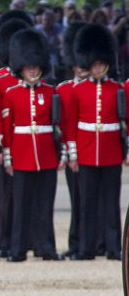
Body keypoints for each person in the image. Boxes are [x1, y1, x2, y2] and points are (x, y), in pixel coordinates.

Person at [63, 23, 126, 260]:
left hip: (110, 152)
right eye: (95, 64)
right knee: (87, 204)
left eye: (101, 64)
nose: (98, 68)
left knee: (111, 204)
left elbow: (124, 123)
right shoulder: (79, 91)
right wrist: (73, 154)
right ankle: (86, 248)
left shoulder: (117, 89)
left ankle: (113, 247)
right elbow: (71, 125)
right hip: (87, 153)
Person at [0, 29, 62, 262]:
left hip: (46, 155)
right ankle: (18, 250)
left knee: (45, 205)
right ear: (21, 69)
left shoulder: (50, 92)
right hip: (22, 154)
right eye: (28, 67)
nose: (32, 70)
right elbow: (7, 129)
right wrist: (8, 157)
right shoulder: (11, 94)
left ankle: (46, 247)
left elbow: (58, 126)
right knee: (21, 206)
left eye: (35, 67)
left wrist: (62, 153)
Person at [0, 9, 34, 258]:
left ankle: (30, 239)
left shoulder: (35, 77)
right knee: (6, 196)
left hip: (29, 146)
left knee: (31, 198)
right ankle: (3, 239)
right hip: (6, 146)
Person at [55, 21, 88, 257]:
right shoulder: (64, 89)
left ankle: (96, 242)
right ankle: (77, 242)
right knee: (77, 200)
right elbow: (63, 125)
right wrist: (67, 153)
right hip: (73, 150)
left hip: (95, 151)